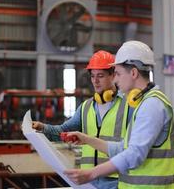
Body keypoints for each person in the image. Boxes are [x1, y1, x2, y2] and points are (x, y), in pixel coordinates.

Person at [64, 41, 174, 189]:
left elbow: (134, 154)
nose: (116, 79)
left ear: (133, 73)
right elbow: (124, 149)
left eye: (118, 73)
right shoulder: (143, 103)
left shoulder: (152, 105)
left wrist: (92, 173)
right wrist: (86, 139)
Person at [32, 50, 129, 189]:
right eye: (93, 76)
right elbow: (62, 132)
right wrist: (42, 127)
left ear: (113, 75)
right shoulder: (86, 107)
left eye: (100, 76)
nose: (95, 81)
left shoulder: (127, 106)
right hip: (88, 180)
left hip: (116, 180)